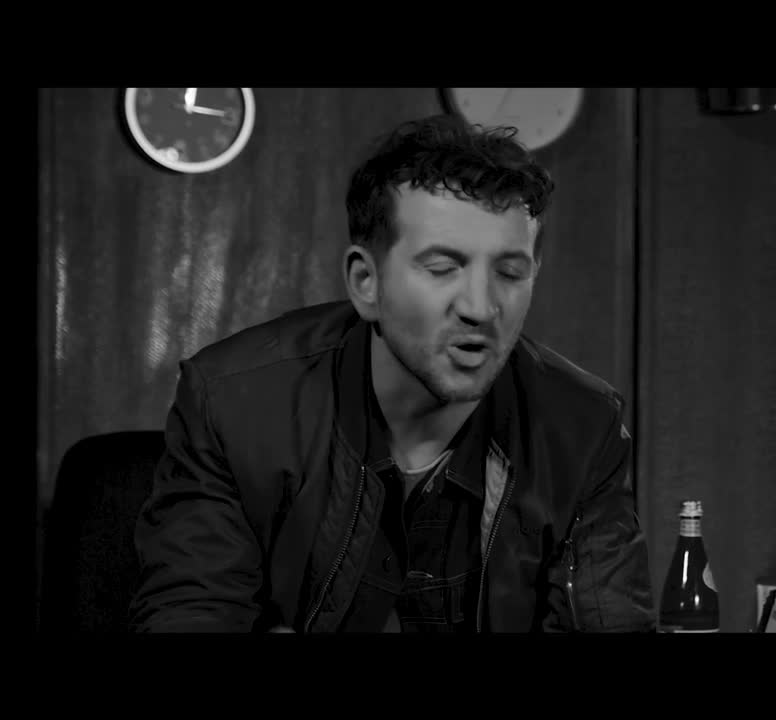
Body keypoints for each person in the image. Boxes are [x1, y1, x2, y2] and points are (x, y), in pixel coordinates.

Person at [129, 114, 656, 633]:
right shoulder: (233, 402)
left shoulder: (582, 427)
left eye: (510, 272)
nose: (480, 307)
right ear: (366, 282)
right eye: (443, 268)